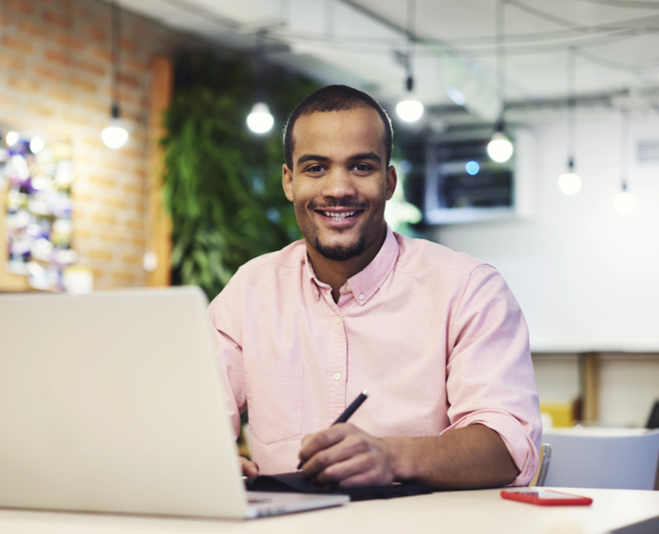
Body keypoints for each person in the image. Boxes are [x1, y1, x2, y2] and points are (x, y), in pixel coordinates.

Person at [208, 85, 541, 489]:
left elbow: (508, 447)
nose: (338, 189)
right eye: (315, 168)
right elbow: (192, 417)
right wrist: (205, 459)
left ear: (388, 182)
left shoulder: (468, 289)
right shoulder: (251, 290)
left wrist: (391, 457)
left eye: (361, 167)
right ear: (289, 181)